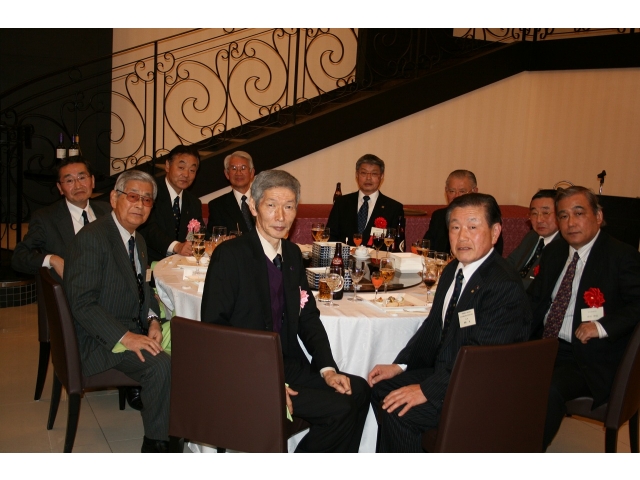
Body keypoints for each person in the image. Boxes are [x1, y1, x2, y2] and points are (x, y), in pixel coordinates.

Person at [201, 170, 370, 452]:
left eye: (289, 206)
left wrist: (327, 369)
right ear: (253, 206)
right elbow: (216, 332)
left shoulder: (291, 254)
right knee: (339, 409)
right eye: (271, 205)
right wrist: (266, 384)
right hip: (248, 373)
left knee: (360, 390)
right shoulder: (230, 255)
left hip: (287, 365)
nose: (281, 216)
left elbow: (308, 317)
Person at [368, 193, 531, 452]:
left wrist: (427, 390)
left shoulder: (502, 285)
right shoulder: (453, 271)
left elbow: (481, 359)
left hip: (478, 387)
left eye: (473, 227)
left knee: (399, 410)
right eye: (455, 227)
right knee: (379, 388)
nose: (462, 236)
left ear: (495, 232)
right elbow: (433, 326)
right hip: (448, 371)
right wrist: (400, 365)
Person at [64, 170, 173, 453]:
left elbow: (143, 289)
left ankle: (180, 423)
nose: (139, 204)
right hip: (99, 339)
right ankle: (157, 444)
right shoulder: (93, 239)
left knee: (189, 340)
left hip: (132, 324)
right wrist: (127, 337)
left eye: (147, 200)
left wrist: (152, 320)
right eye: (133, 196)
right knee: (160, 365)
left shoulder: (137, 239)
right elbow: (82, 304)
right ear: (114, 198)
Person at [528, 186, 640, 451]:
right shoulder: (555, 252)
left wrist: (601, 326)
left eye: (579, 213)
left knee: (547, 388)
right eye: (563, 216)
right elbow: (534, 300)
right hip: (545, 345)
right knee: (493, 370)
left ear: (598, 216)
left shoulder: (621, 256)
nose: (570, 223)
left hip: (588, 356)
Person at [12, 156, 111, 282]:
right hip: (75, 288)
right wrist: (52, 260)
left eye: (82, 178)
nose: (78, 185)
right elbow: (19, 257)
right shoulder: (46, 218)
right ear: (60, 188)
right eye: (69, 180)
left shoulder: (107, 210)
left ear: (92, 181)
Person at [139, 144, 204, 262]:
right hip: (151, 263)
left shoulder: (194, 203)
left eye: (192, 170)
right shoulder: (151, 192)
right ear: (168, 166)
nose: (186, 174)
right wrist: (177, 246)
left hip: (182, 264)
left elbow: (199, 233)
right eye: (181, 167)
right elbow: (149, 230)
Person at [326, 154, 404, 246]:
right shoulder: (341, 203)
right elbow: (330, 237)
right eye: (364, 173)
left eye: (374, 174)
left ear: (381, 176)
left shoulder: (394, 208)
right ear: (357, 175)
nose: (368, 178)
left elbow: (398, 245)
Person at [423, 169, 503, 255]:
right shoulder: (439, 216)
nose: (456, 196)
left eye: (462, 191)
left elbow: (494, 253)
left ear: (475, 191)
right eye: (452, 191)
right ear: (446, 191)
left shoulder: (485, 215)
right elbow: (426, 249)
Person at [507, 189, 562, 289]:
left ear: (560, 215)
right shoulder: (532, 236)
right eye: (534, 213)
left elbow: (541, 285)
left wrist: (506, 284)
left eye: (545, 213)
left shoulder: (563, 245)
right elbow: (508, 263)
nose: (539, 220)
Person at [206, 151, 255, 235]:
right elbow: (214, 237)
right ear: (227, 174)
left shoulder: (264, 200)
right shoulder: (217, 206)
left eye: (243, 168)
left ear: (252, 173)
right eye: (234, 168)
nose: (238, 173)